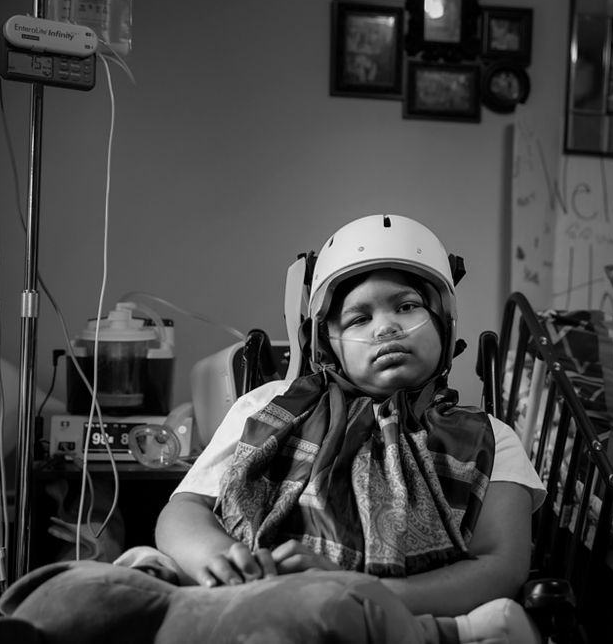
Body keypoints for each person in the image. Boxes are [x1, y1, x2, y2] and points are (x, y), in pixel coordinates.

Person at [154, 214, 547, 640]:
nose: (386, 327)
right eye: (358, 319)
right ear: (328, 343)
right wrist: (217, 556)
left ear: (444, 321)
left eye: (408, 306)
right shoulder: (267, 408)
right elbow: (185, 510)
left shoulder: (491, 437)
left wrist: (357, 593)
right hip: (253, 598)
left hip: (396, 618)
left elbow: (500, 566)